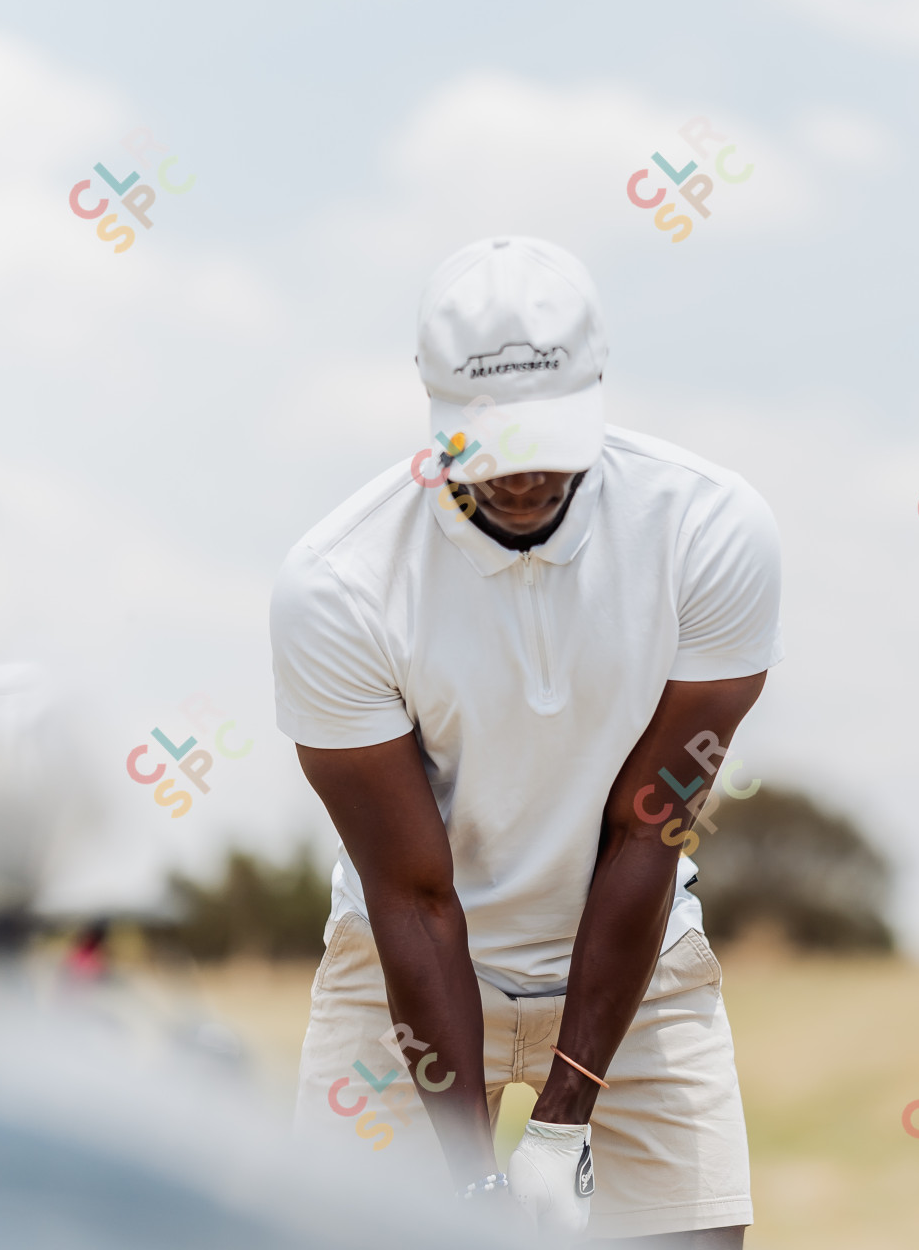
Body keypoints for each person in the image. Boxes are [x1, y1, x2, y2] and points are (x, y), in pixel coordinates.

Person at [271, 235, 781, 1245]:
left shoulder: (711, 531)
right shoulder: (338, 582)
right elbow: (413, 899)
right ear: (434, 402)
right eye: (490, 440)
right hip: (400, 973)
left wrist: (562, 1119)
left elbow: (647, 832)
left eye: (549, 435)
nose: (523, 475)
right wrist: (470, 1186)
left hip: (635, 957)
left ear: (596, 388)